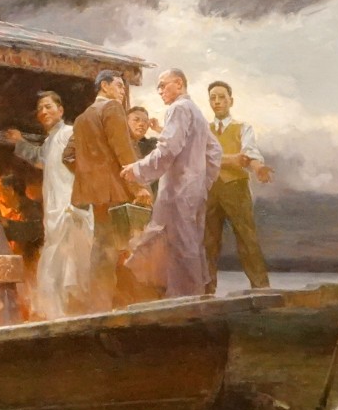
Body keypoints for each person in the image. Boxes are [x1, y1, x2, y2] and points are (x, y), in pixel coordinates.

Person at [120, 70, 220, 299]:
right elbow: (215, 151)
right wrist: (203, 182)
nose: (159, 91)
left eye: (163, 85)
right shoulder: (196, 112)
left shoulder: (178, 108)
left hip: (178, 191)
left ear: (179, 84)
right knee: (189, 243)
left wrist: (137, 170)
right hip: (193, 191)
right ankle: (190, 296)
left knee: (180, 245)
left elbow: (167, 150)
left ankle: (185, 299)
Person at [67, 70, 155, 312]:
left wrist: (93, 176)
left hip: (96, 196)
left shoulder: (82, 118)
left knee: (102, 248)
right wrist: (138, 187)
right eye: (118, 85)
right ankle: (107, 307)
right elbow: (123, 149)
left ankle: (100, 305)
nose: (122, 91)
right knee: (116, 250)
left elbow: (68, 156)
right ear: (104, 86)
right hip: (116, 192)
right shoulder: (113, 108)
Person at [8, 91, 92, 319]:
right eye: (40, 109)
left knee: (70, 262)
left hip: (71, 208)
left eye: (48, 107)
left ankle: (71, 314)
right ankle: (57, 314)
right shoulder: (50, 140)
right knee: (56, 261)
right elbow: (41, 159)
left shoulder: (69, 133)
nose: (43, 112)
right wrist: (19, 142)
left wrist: (79, 204)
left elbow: (85, 166)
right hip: (56, 210)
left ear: (60, 110)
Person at [203, 80, 274, 293]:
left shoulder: (243, 128)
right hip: (210, 188)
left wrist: (258, 168)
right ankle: (206, 292)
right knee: (208, 241)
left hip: (236, 188)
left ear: (231, 101)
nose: (217, 102)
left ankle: (262, 289)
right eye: (213, 98)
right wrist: (231, 160)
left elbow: (249, 153)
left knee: (247, 238)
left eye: (221, 97)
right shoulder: (204, 130)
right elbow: (198, 156)